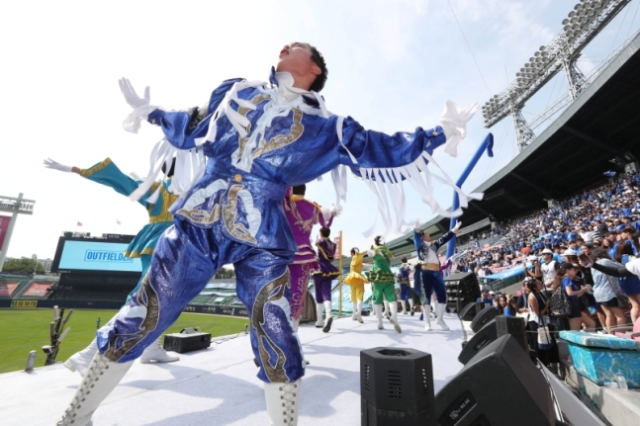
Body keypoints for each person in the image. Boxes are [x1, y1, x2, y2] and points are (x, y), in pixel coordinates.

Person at [55, 42, 477, 426]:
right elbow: (194, 126)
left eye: (295, 48)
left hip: (263, 236)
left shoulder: (330, 128)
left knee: (275, 328)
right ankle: (76, 418)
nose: (283, 47)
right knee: (145, 311)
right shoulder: (235, 90)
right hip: (200, 219)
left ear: (313, 69)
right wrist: (151, 113)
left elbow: (383, 148)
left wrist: (441, 133)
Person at [43, 157, 180, 376]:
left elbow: (121, 181)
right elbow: (120, 180)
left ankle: (151, 348)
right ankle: (88, 354)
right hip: (163, 244)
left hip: (172, 245)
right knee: (144, 300)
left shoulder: (164, 188)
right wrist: (73, 168)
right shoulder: (168, 189)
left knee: (161, 301)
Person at [283, 185, 340, 331]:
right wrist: (332, 214)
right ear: (305, 190)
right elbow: (325, 225)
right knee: (299, 289)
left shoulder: (285, 200)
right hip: (306, 255)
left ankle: (280, 326)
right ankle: (294, 327)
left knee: (279, 288)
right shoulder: (313, 207)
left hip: (283, 250)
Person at [413, 220, 462, 331]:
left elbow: (444, 238)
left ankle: (439, 320)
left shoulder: (434, 246)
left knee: (443, 296)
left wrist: (454, 230)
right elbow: (416, 238)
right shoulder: (419, 246)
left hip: (436, 272)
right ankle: (427, 323)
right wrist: (416, 229)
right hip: (425, 272)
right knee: (426, 298)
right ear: (423, 237)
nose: (429, 235)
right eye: (427, 234)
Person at [368, 236, 402, 333]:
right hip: (388, 274)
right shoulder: (387, 250)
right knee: (391, 298)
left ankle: (380, 323)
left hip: (378, 276)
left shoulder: (373, 250)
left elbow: (369, 255)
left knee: (378, 299)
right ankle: (394, 317)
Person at [589, 247, 626, 333]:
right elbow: (621, 268)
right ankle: (622, 336)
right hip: (608, 292)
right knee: (620, 316)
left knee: (609, 315)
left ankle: (611, 335)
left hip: (598, 292)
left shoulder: (593, 264)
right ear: (603, 253)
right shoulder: (605, 261)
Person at [312, 227, 341, 332]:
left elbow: (316, 250)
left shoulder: (320, 241)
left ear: (321, 233)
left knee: (319, 296)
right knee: (326, 294)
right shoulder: (333, 244)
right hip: (329, 269)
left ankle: (320, 320)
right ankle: (329, 315)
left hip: (319, 268)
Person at [551, 263, 595, 331]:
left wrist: (583, 291)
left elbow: (574, 295)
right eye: (573, 270)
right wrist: (581, 290)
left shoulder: (566, 279)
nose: (575, 272)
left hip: (576, 306)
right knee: (575, 331)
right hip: (573, 307)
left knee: (592, 324)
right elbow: (570, 293)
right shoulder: (567, 279)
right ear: (568, 270)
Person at [344, 247, 368, 323]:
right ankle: (358, 314)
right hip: (358, 279)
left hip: (351, 279)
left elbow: (363, 264)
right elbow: (360, 258)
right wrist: (366, 251)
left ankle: (353, 315)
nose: (351, 255)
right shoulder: (357, 257)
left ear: (352, 253)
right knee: (360, 297)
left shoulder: (353, 261)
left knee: (354, 298)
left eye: (351, 253)